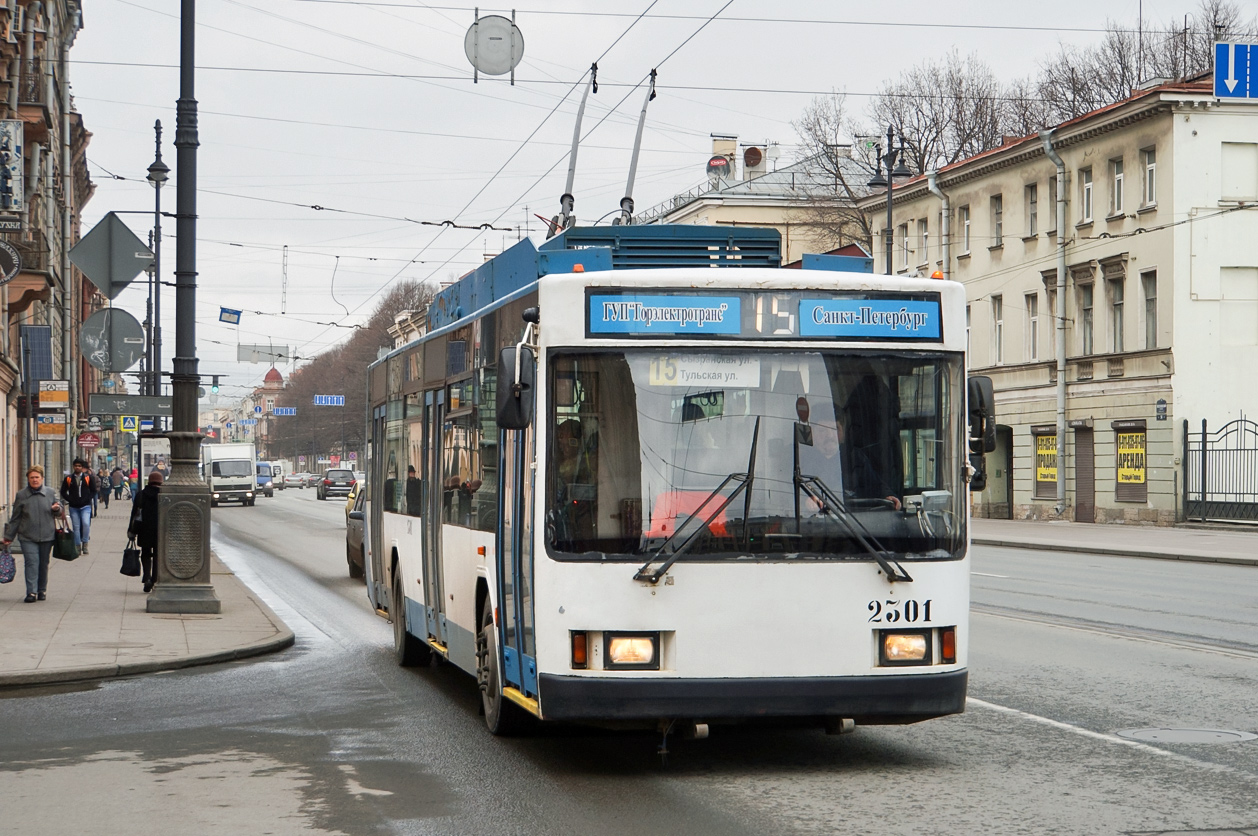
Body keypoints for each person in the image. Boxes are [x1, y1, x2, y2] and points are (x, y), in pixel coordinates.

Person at [798, 420, 901, 511]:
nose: (829, 436)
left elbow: (875, 484)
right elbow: (789, 491)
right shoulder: (802, 459)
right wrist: (805, 500)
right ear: (812, 433)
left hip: (853, 524)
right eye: (822, 430)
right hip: (814, 524)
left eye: (835, 429)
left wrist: (888, 496)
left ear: (842, 433)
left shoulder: (855, 458)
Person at [3, 466, 63, 603]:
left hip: (47, 535)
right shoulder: (21, 495)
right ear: (28, 479)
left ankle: (41, 590)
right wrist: (8, 536)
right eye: (32, 478)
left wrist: (57, 509)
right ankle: (31, 592)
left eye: (37, 477)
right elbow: (16, 517)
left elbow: (59, 511)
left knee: (43, 563)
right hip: (27, 536)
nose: (34, 480)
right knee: (31, 563)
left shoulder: (50, 492)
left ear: (42, 478)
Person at [129, 471, 162, 593]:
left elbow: (135, 513)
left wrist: (131, 530)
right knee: (158, 555)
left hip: (144, 528)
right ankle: (154, 579)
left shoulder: (141, 495)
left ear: (149, 481)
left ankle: (146, 576)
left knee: (146, 553)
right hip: (160, 530)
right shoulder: (164, 495)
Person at [61, 458, 97, 555]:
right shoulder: (68, 478)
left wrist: (87, 499)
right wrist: (70, 499)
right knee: (76, 527)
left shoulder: (88, 478)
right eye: (76, 466)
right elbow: (63, 491)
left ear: (82, 467)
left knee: (85, 523)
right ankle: (77, 546)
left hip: (85, 506)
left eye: (79, 466)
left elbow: (93, 490)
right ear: (73, 467)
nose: (77, 467)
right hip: (73, 507)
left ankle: (85, 543)